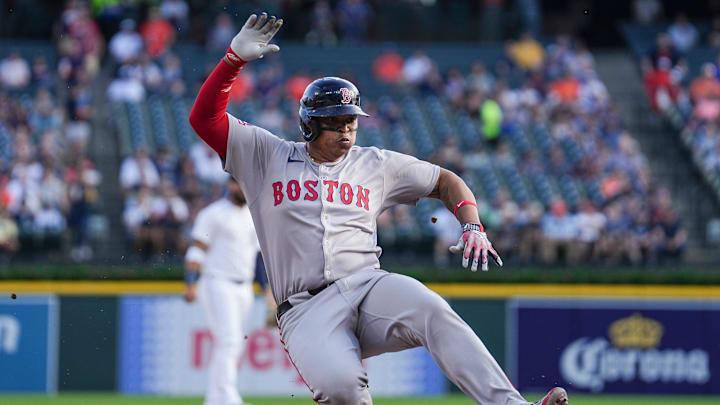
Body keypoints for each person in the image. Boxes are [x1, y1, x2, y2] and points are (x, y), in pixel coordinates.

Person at [188, 12, 568, 405]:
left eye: (351, 120)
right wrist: (232, 60)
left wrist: (472, 226)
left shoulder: (376, 163)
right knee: (343, 390)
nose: (347, 130)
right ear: (309, 125)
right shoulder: (266, 155)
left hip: (369, 285)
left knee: (433, 310)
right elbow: (203, 119)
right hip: (305, 308)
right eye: (335, 122)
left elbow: (446, 181)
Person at [183, 178, 272, 405]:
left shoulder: (253, 216)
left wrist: (267, 290)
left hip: (244, 287)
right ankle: (227, 397)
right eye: (239, 183)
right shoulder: (213, 214)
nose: (243, 188)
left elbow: (260, 259)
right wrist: (190, 283)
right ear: (230, 185)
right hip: (217, 283)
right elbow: (196, 251)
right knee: (230, 340)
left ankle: (215, 398)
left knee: (231, 342)